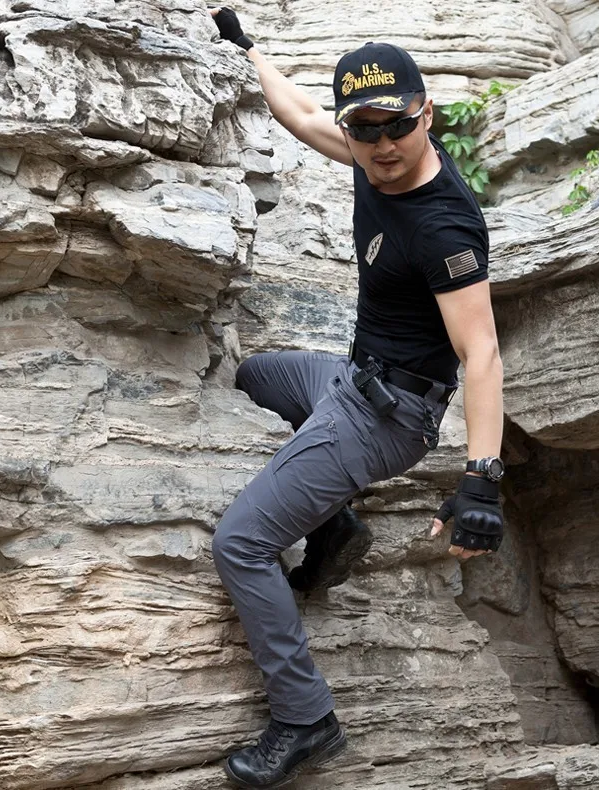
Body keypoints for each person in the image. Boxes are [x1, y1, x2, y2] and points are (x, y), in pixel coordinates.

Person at [208, 8, 506, 789]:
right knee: (252, 377)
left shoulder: (443, 226)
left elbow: (481, 353)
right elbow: (303, 114)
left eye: (396, 125)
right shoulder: (372, 157)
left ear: (426, 114)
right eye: (365, 129)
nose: (381, 144)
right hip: (348, 379)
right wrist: (248, 51)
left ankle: (305, 718)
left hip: (388, 417)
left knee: (239, 543)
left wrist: (482, 478)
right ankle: (331, 523)